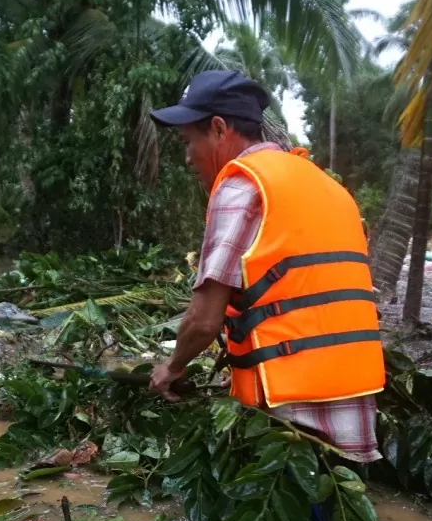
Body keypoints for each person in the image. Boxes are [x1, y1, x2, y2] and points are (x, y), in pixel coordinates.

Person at [147, 69, 385, 464]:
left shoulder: (241, 185)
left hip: (290, 426)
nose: (187, 157)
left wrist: (171, 368)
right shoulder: (330, 187)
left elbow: (204, 321)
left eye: (188, 141)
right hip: (358, 416)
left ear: (220, 129)